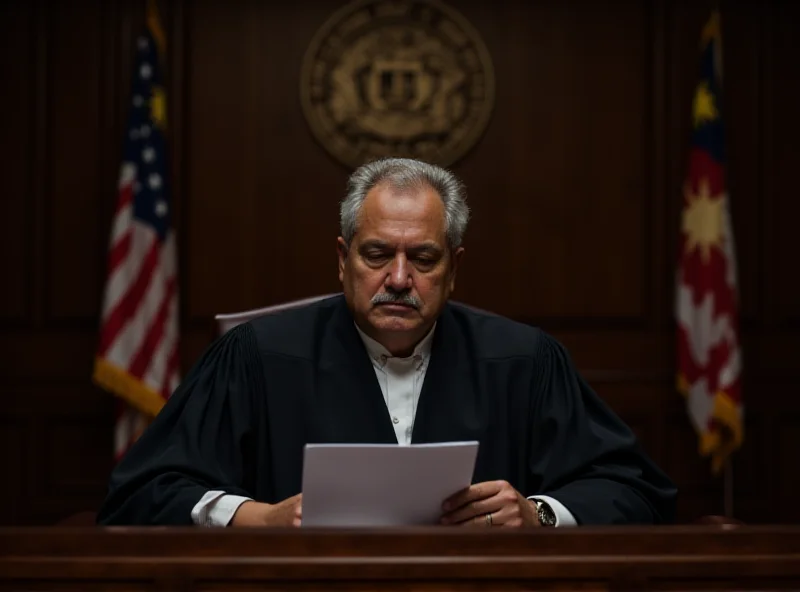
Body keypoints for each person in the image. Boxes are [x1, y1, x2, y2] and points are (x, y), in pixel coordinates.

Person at [97, 157, 677, 527]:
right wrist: (254, 519)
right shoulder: (256, 357)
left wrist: (538, 515)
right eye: (377, 254)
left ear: (454, 268)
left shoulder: (523, 361)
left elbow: (637, 491)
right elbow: (140, 495)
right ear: (343, 260)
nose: (399, 279)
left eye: (423, 258)